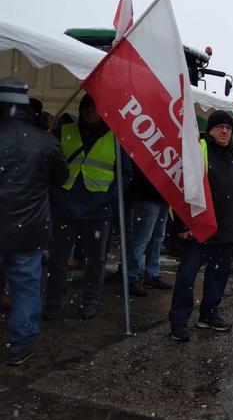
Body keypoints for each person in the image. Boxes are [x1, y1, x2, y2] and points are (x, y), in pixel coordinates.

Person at [44, 94, 131, 321]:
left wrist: (109, 197)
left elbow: (125, 174)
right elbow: (48, 167)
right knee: (59, 258)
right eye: (87, 108)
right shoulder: (63, 132)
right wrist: (56, 194)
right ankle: (54, 302)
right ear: (81, 110)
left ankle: (91, 300)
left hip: (97, 210)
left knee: (96, 260)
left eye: (95, 108)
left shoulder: (115, 137)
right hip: (65, 207)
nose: (91, 112)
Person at [0, 77, 68, 365]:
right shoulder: (45, 141)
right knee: (26, 288)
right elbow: (61, 178)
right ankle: (20, 345)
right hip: (28, 230)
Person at [169, 110, 233, 342]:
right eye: (219, 127)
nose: (225, 131)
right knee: (187, 276)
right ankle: (178, 321)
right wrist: (182, 223)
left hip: (226, 229)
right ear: (211, 129)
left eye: (228, 127)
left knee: (218, 277)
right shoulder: (199, 151)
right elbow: (183, 188)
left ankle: (208, 315)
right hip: (199, 228)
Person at [125, 165, 173, 296]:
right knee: (143, 238)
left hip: (160, 194)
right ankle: (132, 277)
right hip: (149, 194)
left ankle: (149, 274)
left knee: (155, 237)